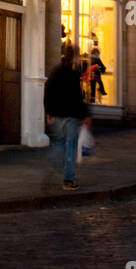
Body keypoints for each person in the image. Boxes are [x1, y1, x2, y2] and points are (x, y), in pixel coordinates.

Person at [44, 43, 90, 190]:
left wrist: (49, 111)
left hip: (57, 113)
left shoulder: (56, 71)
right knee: (70, 146)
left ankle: (54, 161)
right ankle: (68, 179)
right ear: (74, 57)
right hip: (71, 114)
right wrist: (85, 115)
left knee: (59, 142)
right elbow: (78, 95)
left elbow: (48, 91)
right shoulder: (73, 72)